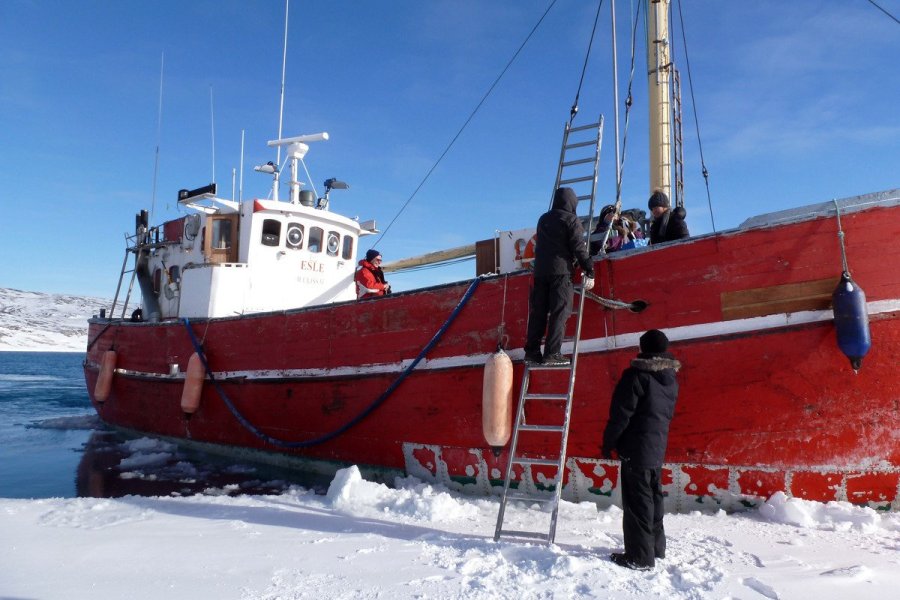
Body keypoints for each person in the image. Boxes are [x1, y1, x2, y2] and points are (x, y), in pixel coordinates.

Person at [601, 329, 680, 571]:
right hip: (656, 449)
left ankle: (639, 557)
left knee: (637, 504)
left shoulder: (636, 376)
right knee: (654, 499)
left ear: (643, 348)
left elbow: (620, 415)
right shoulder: (670, 378)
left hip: (636, 449)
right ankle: (657, 548)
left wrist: (609, 443)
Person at [523, 187, 595, 366]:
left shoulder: (543, 219)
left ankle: (532, 352)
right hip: (561, 272)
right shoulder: (571, 220)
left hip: (540, 272)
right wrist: (589, 269)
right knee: (559, 312)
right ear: (572, 202)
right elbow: (578, 247)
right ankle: (552, 353)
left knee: (538, 313)